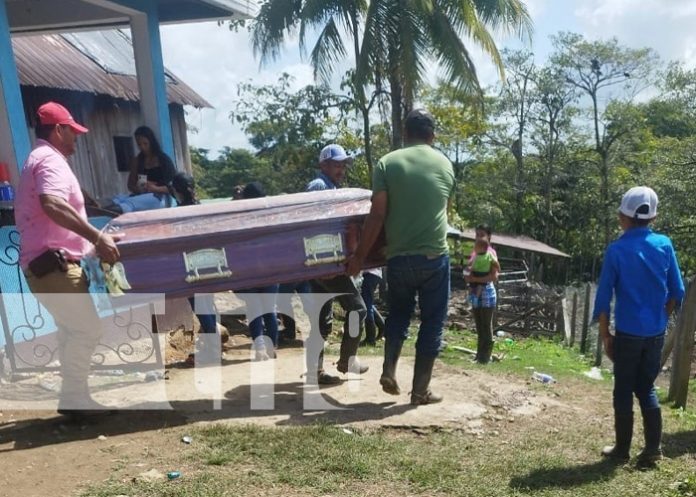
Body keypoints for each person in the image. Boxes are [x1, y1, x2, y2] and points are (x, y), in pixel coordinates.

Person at [15, 101, 121, 417]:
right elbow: (52, 204)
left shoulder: (39, 158)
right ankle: (76, 399)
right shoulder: (49, 160)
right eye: (72, 131)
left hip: (49, 266)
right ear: (58, 129)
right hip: (54, 266)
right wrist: (96, 236)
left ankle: (75, 399)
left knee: (71, 331)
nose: (76, 138)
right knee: (87, 330)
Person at [347, 109, 455, 406]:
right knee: (433, 323)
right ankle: (420, 391)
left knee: (398, 315)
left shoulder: (387, 163)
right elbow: (440, 212)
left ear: (405, 134)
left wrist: (359, 257)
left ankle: (389, 370)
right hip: (435, 258)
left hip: (398, 259)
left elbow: (378, 214)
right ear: (432, 135)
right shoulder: (445, 164)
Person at [593, 186, 684, 467]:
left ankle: (622, 450)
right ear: (652, 217)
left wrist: (606, 335)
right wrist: (660, 318)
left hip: (628, 334)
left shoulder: (617, 250)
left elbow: (604, 296)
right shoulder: (665, 245)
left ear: (624, 216)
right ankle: (653, 449)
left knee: (623, 389)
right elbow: (677, 291)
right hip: (655, 333)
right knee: (646, 388)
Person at [306, 144, 368, 385]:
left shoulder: (331, 187)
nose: (341, 169)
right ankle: (347, 360)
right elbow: (313, 225)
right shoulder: (319, 186)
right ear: (324, 165)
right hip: (325, 262)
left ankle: (316, 372)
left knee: (322, 320)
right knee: (358, 308)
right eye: (336, 164)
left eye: (343, 165)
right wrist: (324, 264)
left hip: (325, 263)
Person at [170, 172, 220, 365]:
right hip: (208, 264)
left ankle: (212, 351)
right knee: (208, 307)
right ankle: (212, 348)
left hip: (189, 267)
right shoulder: (201, 209)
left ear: (176, 190)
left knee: (201, 309)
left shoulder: (177, 212)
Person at [237, 181, 281, 361]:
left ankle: (261, 349)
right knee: (270, 310)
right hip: (270, 269)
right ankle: (272, 346)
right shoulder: (270, 216)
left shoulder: (240, 218)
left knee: (254, 309)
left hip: (249, 270)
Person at [465, 225, 500, 364]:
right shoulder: (474, 253)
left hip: (487, 293)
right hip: (475, 293)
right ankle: (479, 355)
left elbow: (494, 276)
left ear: (488, 237)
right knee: (479, 325)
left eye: (481, 234)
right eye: (477, 234)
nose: (478, 237)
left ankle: (486, 357)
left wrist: (475, 279)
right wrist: (468, 276)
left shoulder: (490, 253)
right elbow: (468, 271)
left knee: (486, 325)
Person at [359, 268, 386, 346]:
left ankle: (370, 338)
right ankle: (382, 326)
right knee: (367, 302)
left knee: (366, 304)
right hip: (374, 274)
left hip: (370, 273)